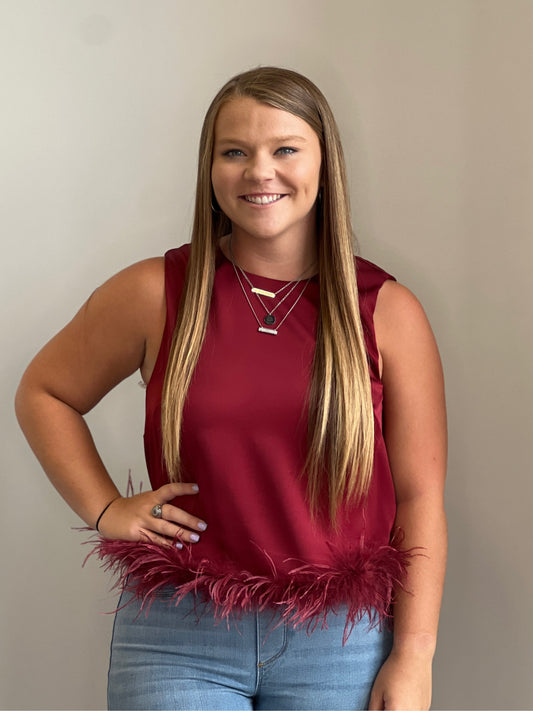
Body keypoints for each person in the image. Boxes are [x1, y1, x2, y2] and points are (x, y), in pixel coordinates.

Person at [15, 66, 447, 711]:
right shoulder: (156, 293)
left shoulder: (387, 312)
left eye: (285, 149)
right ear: (210, 168)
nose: (259, 172)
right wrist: (107, 510)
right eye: (235, 152)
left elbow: (419, 499)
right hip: (177, 635)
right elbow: (44, 392)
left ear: (325, 163)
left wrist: (414, 656)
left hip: (338, 641)